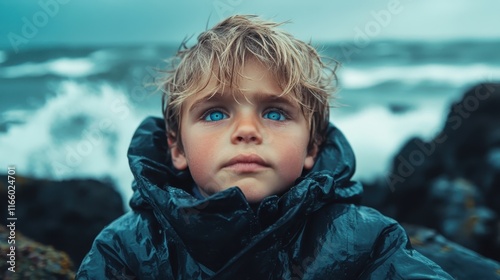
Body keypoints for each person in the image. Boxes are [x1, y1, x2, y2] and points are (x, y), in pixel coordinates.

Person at [76, 15, 453, 279]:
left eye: (274, 113)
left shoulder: (365, 240)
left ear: (312, 146)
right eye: (214, 114)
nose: (246, 130)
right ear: (177, 148)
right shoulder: (127, 248)